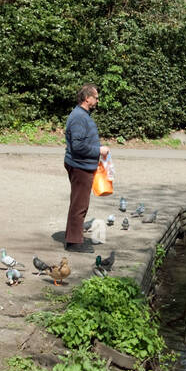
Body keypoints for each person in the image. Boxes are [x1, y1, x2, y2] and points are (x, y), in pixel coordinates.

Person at [64, 84, 109, 252]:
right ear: (87, 98)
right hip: (80, 167)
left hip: (82, 165)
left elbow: (82, 142)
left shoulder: (82, 115)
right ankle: (74, 243)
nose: (97, 100)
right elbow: (77, 146)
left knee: (78, 203)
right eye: (95, 97)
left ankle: (72, 238)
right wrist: (98, 150)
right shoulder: (78, 117)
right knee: (79, 205)